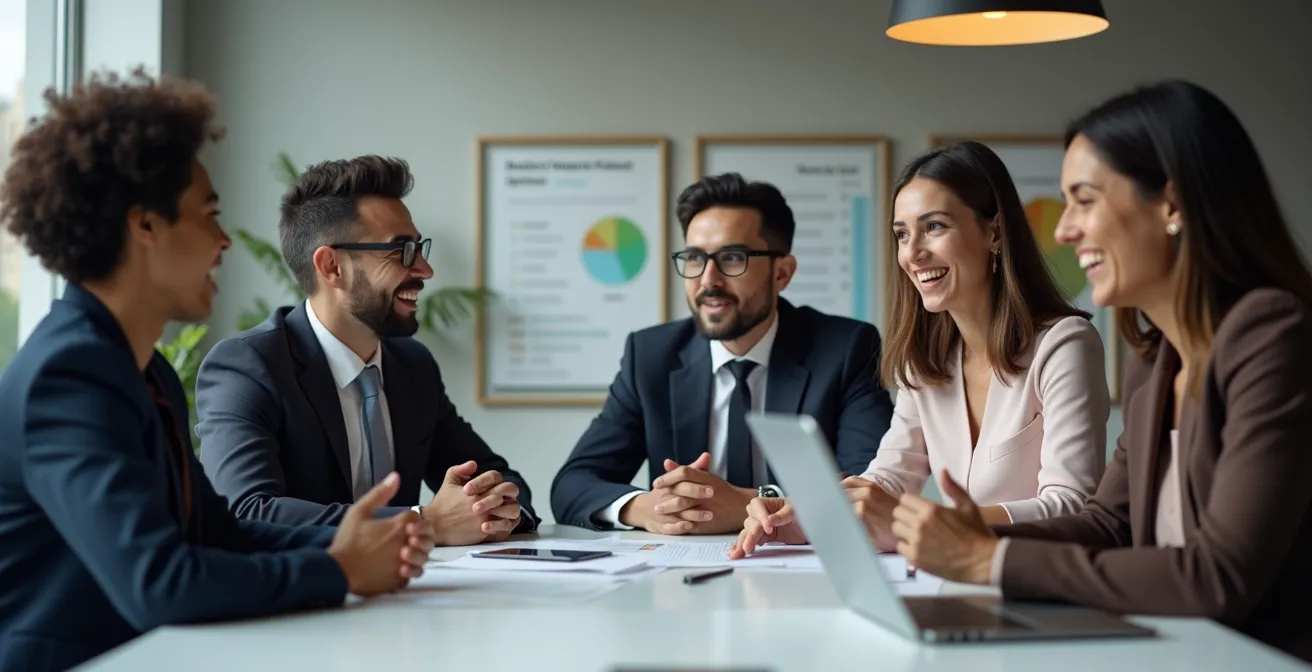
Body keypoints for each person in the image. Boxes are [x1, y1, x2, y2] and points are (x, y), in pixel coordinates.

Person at [0, 69, 434, 671]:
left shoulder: (141, 371)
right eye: (208, 214)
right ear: (144, 224)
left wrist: (368, 540)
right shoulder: (68, 376)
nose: (224, 240)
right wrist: (338, 566)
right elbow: (160, 583)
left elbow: (215, 531)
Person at [881, 80, 1312, 662]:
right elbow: (1107, 525)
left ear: (1172, 204)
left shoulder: (1271, 334)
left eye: (1085, 200)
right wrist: (954, 535)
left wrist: (987, 558)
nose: (1063, 230)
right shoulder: (1153, 363)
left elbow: (1219, 577)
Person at [730, 141, 1108, 557]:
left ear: (994, 232)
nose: (912, 253)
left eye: (935, 227)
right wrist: (806, 518)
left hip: (1033, 575)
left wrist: (923, 521)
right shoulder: (926, 358)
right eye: (902, 234)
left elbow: (1073, 507)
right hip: (955, 577)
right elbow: (889, 478)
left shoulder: (1064, 345)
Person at [195, 155, 537, 545]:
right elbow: (245, 510)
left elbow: (501, 480)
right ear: (332, 267)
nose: (425, 270)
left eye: (419, 249)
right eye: (402, 251)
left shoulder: (414, 366)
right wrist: (421, 522)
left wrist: (494, 509)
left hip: (410, 597)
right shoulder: (248, 365)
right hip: (304, 600)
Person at [550, 173, 895, 534]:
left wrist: (753, 501)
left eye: (732, 258)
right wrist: (644, 508)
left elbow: (870, 489)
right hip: (676, 577)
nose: (708, 280)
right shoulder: (651, 355)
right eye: (695, 258)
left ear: (782, 273)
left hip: (804, 571)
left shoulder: (845, 348)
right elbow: (572, 485)